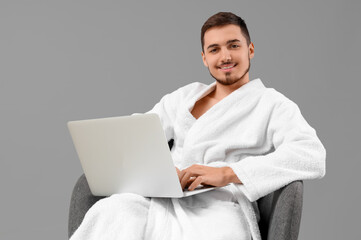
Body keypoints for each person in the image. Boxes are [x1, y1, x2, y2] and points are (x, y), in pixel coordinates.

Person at [70, 12, 326, 240]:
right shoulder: (184, 97)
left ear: (250, 50)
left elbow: (311, 155)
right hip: (163, 199)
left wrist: (227, 173)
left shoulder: (271, 104)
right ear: (204, 58)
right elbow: (137, 134)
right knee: (113, 213)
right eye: (214, 49)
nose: (225, 56)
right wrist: (162, 174)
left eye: (233, 45)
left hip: (221, 205)